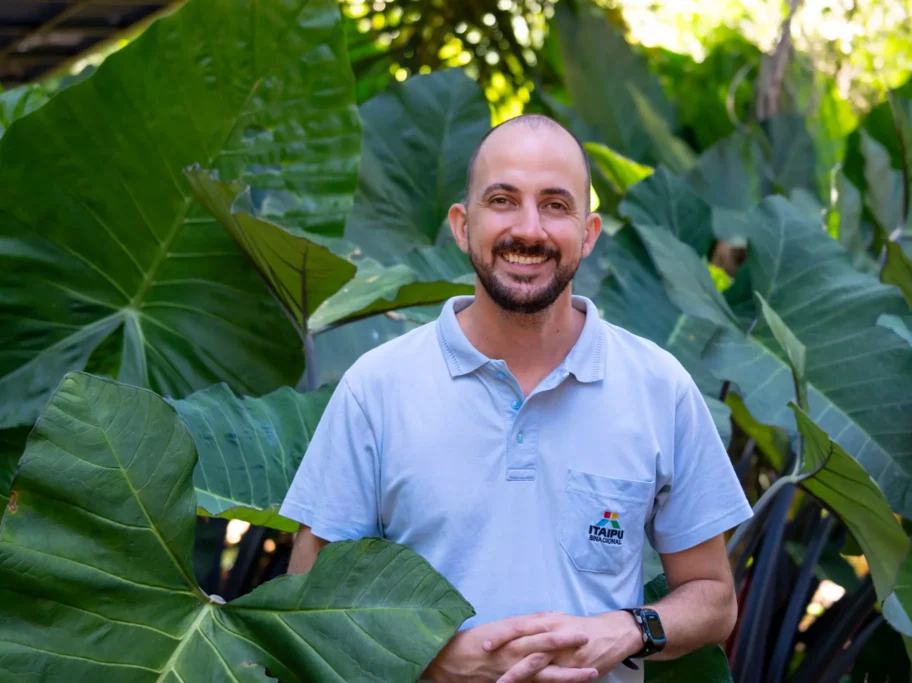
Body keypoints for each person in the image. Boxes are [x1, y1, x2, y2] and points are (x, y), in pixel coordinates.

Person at [279, 114, 753, 683]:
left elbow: (713, 599)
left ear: (589, 232)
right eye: (502, 200)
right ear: (461, 225)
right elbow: (306, 605)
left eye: (555, 205)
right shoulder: (376, 389)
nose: (528, 229)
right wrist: (436, 662)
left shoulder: (660, 388)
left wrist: (629, 629)